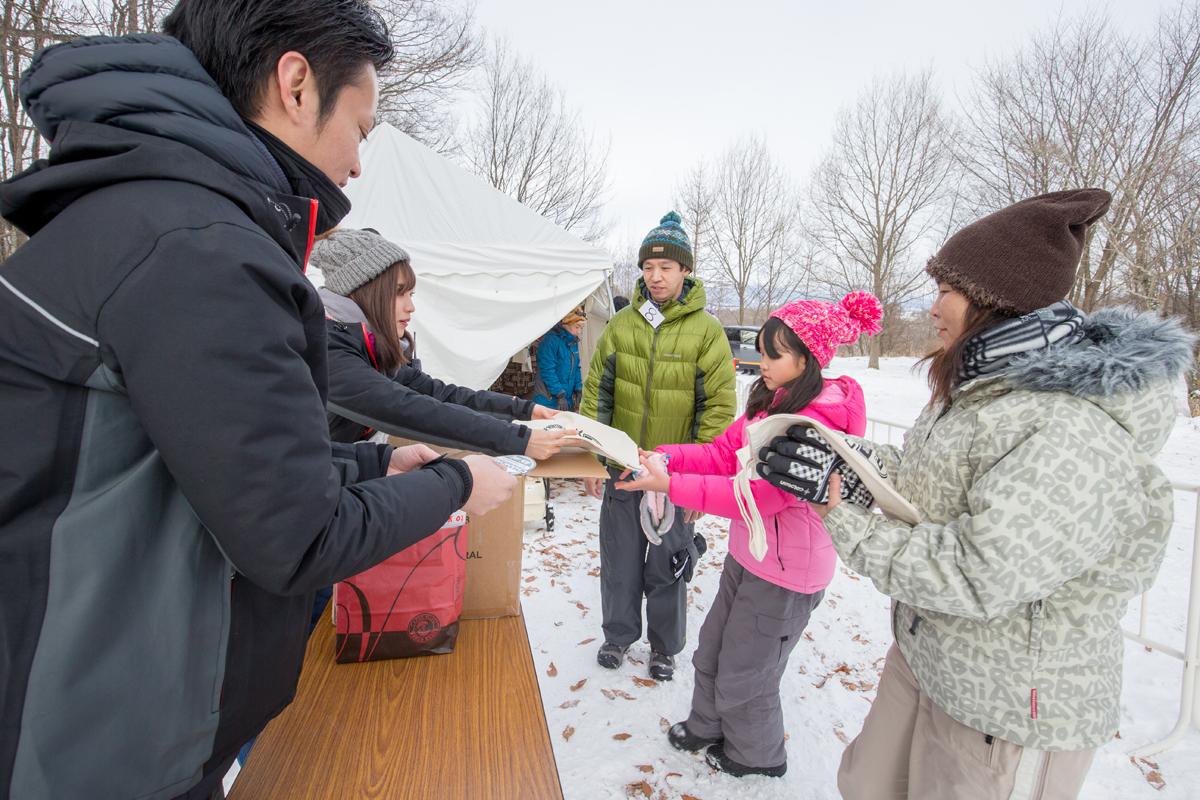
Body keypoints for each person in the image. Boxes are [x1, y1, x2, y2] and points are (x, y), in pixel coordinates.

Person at [0, 4, 515, 799]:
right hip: (103, 735)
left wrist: (376, 460)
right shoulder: (200, 249)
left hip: (101, 696)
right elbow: (297, 537)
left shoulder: (156, 216)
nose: (356, 164)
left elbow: (194, 458)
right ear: (297, 84)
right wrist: (456, 483)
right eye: (363, 129)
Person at [757, 189, 1196, 799]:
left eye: (946, 289)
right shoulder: (982, 390)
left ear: (997, 300)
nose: (933, 306)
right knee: (867, 784)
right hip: (931, 655)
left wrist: (842, 514)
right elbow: (922, 482)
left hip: (1009, 704)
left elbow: (978, 573)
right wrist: (840, 464)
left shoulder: (1068, 427)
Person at [618, 293, 880, 778]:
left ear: (807, 360)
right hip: (751, 554)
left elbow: (758, 497)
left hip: (787, 573)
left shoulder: (811, 425)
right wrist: (668, 458)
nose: (761, 362)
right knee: (713, 648)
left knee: (749, 671)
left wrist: (670, 486)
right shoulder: (771, 405)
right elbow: (722, 455)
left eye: (772, 354)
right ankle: (707, 724)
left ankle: (756, 755)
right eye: (761, 350)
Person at [580, 210, 736, 681]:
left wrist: (702, 484)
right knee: (620, 558)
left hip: (676, 475)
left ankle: (664, 647)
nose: (656, 276)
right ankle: (618, 635)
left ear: (685, 270)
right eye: (648, 267)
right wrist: (592, 455)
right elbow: (597, 394)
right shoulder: (623, 325)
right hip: (622, 469)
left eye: (666, 267)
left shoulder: (707, 332)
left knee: (669, 564)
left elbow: (717, 414)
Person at [310, 228, 569, 458]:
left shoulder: (368, 346)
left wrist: (524, 409)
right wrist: (519, 440)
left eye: (410, 294)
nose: (410, 307)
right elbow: (405, 409)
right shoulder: (325, 346)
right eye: (399, 293)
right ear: (367, 291)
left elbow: (439, 394)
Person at [534, 309, 585, 411]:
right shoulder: (550, 341)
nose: (579, 331)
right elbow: (547, 369)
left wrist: (578, 387)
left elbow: (576, 367)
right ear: (566, 324)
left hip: (565, 399)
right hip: (548, 399)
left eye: (581, 328)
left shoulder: (573, 342)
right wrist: (559, 393)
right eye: (577, 327)